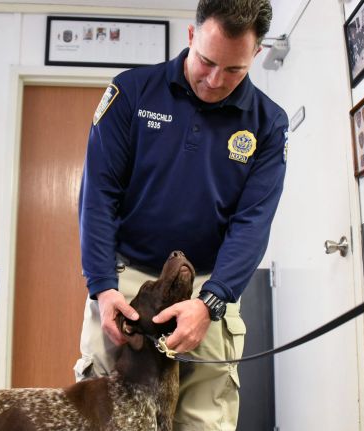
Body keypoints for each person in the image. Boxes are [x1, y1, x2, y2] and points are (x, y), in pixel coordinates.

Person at [75, 0, 288, 429]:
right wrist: (103, 287)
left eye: (234, 70)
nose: (214, 80)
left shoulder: (268, 123)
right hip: (128, 278)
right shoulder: (132, 91)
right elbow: (99, 195)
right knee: (102, 414)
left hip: (208, 287)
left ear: (257, 56)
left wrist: (211, 303)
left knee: (205, 417)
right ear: (191, 36)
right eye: (207, 61)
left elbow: (252, 222)